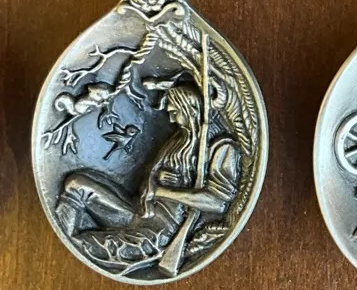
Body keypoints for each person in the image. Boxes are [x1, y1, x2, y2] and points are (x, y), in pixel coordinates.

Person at [57, 80, 241, 277]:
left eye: (175, 112)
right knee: (75, 184)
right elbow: (150, 180)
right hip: (140, 212)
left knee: (88, 245)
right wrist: (154, 183)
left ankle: (67, 261)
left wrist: (162, 191)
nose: (171, 119)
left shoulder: (221, 148)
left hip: (161, 231)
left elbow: (217, 203)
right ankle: (62, 245)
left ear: (190, 110)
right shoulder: (178, 141)